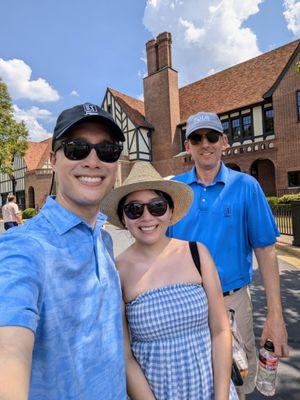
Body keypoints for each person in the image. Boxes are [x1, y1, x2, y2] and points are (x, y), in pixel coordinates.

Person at [0, 103, 127, 399]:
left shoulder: (103, 239)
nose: (93, 160)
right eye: (76, 148)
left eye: (107, 150)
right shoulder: (24, 247)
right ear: (54, 159)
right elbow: (9, 353)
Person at [167, 111, 289, 399]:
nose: (205, 143)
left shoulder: (247, 187)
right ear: (188, 146)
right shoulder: (175, 190)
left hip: (233, 302)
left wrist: (275, 315)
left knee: (237, 380)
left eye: (211, 137)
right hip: (186, 302)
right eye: (197, 138)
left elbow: (266, 251)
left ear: (224, 142)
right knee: (189, 383)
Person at [101, 161, 239, 400]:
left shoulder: (197, 253)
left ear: (170, 210)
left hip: (212, 389)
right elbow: (124, 356)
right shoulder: (117, 271)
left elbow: (220, 330)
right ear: (124, 219)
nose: (146, 217)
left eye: (156, 206)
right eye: (134, 209)